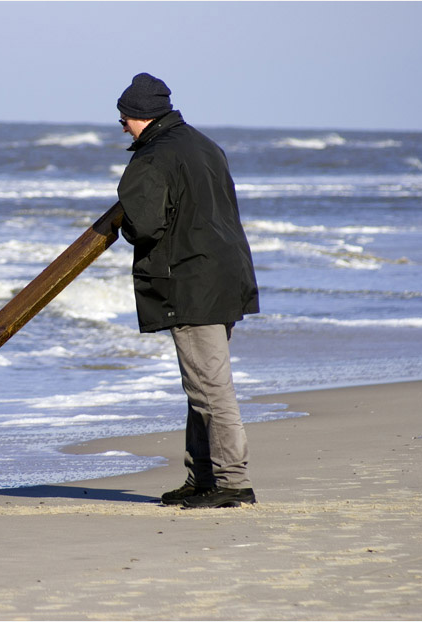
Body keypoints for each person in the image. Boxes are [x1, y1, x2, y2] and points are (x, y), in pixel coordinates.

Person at [114, 72, 260, 509]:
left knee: (210, 388)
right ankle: (202, 479)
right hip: (225, 275)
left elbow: (144, 224)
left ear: (138, 116)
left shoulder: (154, 157)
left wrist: (124, 222)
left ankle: (232, 482)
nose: (121, 124)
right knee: (202, 384)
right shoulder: (204, 146)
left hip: (192, 282)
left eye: (123, 116)